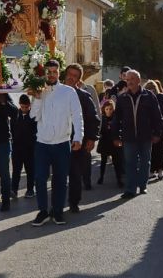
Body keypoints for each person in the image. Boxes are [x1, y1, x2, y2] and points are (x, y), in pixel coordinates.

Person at [28, 60, 83, 226]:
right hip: (42, 144)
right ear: (44, 73)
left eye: (54, 71)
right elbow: (33, 117)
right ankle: (43, 211)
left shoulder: (68, 92)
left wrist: (78, 137)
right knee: (39, 178)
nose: (51, 74)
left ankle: (58, 211)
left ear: (59, 73)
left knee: (60, 179)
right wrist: (37, 98)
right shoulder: (40, 92)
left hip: (62, 143)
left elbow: (77, 116)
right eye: (49, 72)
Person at [112, 70, 162, 199]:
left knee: (145, 162)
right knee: (130, 163)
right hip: (128, 137)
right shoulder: (122, 98)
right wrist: (116, 136)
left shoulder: (149, 96)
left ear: (139, 80)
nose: (129, 82)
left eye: (132, 79)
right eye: (127, 80)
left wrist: (157, 133)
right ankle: (130, 189)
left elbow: (157, 116)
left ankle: (143, 185)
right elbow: (116, 119)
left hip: (146, 137)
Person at [64, 64, 100, 212]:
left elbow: (93, 119)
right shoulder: (55, 93)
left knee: (75, 174)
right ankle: (57, 203)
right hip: (59, 140)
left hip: (78, 141)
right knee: (58, 175)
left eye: (75, 75)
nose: (71, 77)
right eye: (69, 74)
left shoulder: (84, 96)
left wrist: (91, 138)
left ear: (79, 79)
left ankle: (73, 202)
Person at [0, 93, 18, 212]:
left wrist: (3, 102)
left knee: (4, 173)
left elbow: (15, 112)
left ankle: (6, 201)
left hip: (3, 141)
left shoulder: (4, 95)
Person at [11, 94, 37, 199]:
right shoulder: (16, 115)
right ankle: (14, 190)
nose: (24, 109)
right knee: (16, 170)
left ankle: (30, 189)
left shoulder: (33, 116)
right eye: (22, 107)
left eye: (26, 107)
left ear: (30, 105)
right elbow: (12, 129)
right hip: (17, 148)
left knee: (30, 170)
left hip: (30, 148)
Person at [79, 79, 102, 190]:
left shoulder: (89, 89)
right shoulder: (67, 90)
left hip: (87, 131)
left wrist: (95, 134)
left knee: (85, 157)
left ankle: (86, 181)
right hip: (72, 132)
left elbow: (96, 109)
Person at [144, 80, 163, 180]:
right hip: (148, 129)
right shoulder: (145, 99)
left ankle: (160, 171)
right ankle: (152, 170)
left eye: (153, 88)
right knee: (150, 151)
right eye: (149, 89)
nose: (151, 91)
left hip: (159, 129)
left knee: (159, 150)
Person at [97, 100, 124, 188]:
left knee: (117, 162)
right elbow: (99, 130)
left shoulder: (116, 118)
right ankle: (101, 177)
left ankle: (119, 179)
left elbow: (120, 129)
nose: (109, 111)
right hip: (104, 142)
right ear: (104, 109)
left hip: (114, 142)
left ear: (113, 109)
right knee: (103, 161)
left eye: (111, 109)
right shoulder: (102, 118)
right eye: (107, 109)